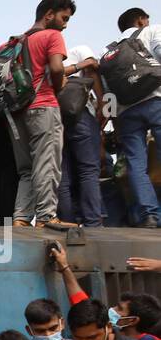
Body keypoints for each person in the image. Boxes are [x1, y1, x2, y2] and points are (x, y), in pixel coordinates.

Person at [3, 0, 78, 230]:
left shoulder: (10, 44)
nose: (65, 24)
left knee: (27, 169)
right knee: (47, 163)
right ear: (49, 14)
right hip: (43, 105)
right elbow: (56, 68)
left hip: (14, 113)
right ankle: (46, 217)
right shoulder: (52, 36)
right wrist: (59, 84)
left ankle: (21, 218)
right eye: (64, 18)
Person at [107, 8, 161, 228]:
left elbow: (108, 91)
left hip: (126, 111)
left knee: (136, 164)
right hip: (156, 100)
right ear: (141, 20)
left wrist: (115, 121)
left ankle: (149, 216)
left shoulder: (109, 50)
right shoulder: (151, 31)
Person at [56, 45, 105, 227]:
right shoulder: (81, 50)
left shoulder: (46, 61)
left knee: (62, 175)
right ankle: (93, 223)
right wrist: (102, 102)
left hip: (55, 117)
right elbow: (92, 72)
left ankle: (67, 223)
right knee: (88, 170)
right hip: (80, 114)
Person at [26, 239, 90, 340]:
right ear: (29, 330)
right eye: (40, 331)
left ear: (62, 323)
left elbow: (83, 307)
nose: (48, 335)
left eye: (52, 328)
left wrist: (64, 267)